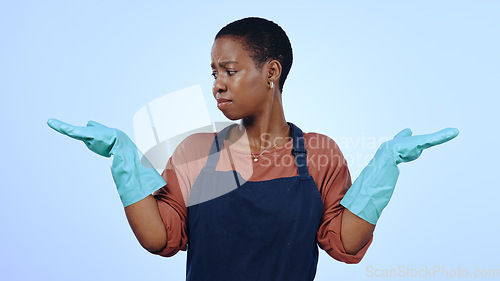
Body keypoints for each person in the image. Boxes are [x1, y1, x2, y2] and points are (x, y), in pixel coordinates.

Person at [47, 17, 458, 281]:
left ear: (271, 72)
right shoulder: (195, 153)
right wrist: (123, 156)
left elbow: (344, 244)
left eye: (230, 70)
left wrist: (385, 167)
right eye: (213, 73)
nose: (216, 85)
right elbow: (160, 239)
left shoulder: (318, 154)